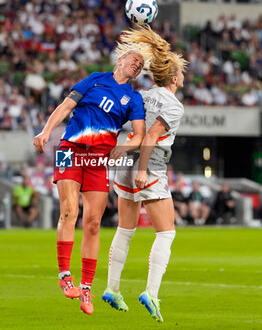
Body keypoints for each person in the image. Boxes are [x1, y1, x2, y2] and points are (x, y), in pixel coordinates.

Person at [33, 33, 147, 315]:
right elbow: (66, 106)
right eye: (135, 60)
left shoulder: (133, 98)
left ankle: (86, 288)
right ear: (121, 60)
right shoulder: (95, 79)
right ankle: (64, 277)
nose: (137, 66)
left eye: (141, 66)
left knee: (94, 223)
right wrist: (46, 131)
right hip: (70, 148)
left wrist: (125, 145)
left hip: (99, 159)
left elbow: (140, 135)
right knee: (69, 211)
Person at [102, 25, 187, 322]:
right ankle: (151, 292)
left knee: (125, 229)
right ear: (174, 78)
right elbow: (150, 136)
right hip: (148, 167)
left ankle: (112, 288)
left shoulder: (142, 94)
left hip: (125, 165)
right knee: (166, 232)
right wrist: (141, 170)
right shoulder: (173, 105)